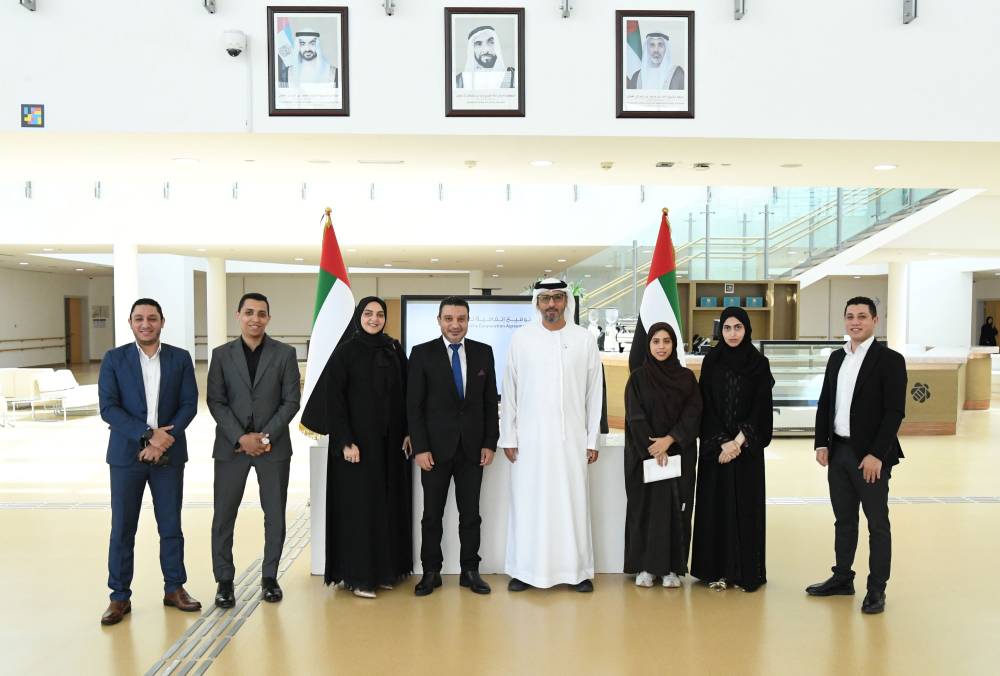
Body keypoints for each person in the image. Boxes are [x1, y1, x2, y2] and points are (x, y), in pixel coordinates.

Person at [300, 296, 412, 599]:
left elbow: (406, 395)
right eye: (368, 314)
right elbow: (334, 401)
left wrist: (407, 432)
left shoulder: (393, 349)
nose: (374, 319)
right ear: (359, 317)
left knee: (387, 508)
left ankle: (385, 572)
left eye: (380, 314)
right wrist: (345, 441)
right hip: (357, 449)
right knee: (360, 511)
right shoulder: (345, 352)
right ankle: (359, 577)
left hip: (391, 449)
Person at [97, 298, 200, 625]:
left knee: (170, 525)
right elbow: (108, 408)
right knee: (122, 528)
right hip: (126, 455)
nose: (146, 324)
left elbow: (189, 403)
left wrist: (164, 439)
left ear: (162, 322)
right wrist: (147, 435)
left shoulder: (180, 358)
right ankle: (119, 596)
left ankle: (174, 588)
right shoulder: (114, 359)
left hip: (169, 454)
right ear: (130, 323)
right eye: (139, 318)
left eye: (152, 318)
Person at [500, 279, 603, 592]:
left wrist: (592, 439)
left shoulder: (584, 339)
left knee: (571, 505)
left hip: (572, 441)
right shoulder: (522, 338)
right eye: (545, 299)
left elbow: (594, 394)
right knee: (529, 505)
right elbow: (510, 390)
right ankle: (525, 571)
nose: (551, 305)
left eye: (557, 298)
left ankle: (577, 572)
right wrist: (509, 437)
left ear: (566, 301)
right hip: (529, 442)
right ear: (537, 303)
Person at [807, 297, 906, 615]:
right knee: (844, 520)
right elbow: (826, 402)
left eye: (862, 316)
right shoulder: (837, 357)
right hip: (838, 451)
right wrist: (821, 443)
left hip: (870, 457)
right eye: (850, 316)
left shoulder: (890, 360)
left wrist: (877, 454)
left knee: (877, 523)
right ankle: (842, 578)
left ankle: (876, 589)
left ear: (875, 320)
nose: (855, 322)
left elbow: (894, 412)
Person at [208, 293, 301, 607]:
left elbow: (291, 401)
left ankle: (270, 577)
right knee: (224, 516)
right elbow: (216, 401)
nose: (255, 319)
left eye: (261, 314)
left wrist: (263, 437)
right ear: (238, 316)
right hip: (231, 448)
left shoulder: (285, 354)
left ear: (268, 319)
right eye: (249, 312)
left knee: (274, 515)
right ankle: (224, 581)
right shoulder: (221, 355)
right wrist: (240, 437)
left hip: (273, 447)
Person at [408, 297, 499, 596]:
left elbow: (489, 402)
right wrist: (420, 448)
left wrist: (490, 442)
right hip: (433, 450)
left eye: (461, 318)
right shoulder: (421, 353)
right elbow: (413, 406)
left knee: (470, 514)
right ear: (439, 321)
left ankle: (470, 571)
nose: (455, 324)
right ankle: (430, 572)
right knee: (431, 515)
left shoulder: (483, 352)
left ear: (468, 320)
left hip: (473, 450)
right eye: (449, 318)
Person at [691, 307, 774, 593]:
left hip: (746, 452)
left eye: (738, 327)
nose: (732, 333)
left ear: (747, 329)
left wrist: (738, 442)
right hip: (717, 451)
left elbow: (761, 408)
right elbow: (705, 405)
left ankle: (743, 571)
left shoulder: (759, 363)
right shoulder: (712, 360)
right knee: (716, 507)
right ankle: (714, 569)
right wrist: (722, 442)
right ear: (720, 331)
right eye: (727, 328)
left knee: (744, 509)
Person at [624, 322, 702, 589]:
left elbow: (693, 413)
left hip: (678, 456)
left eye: (666, 341)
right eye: (656, 341)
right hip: (645, 457)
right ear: (648, 345)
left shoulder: (686, 378)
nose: (661, 347)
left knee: (675, 510)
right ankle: (645, 566)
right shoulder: (638, 379)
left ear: (674, 344)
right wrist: (653, 449)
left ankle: (672, 568)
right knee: (646, 510)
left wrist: (670, 440)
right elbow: (635, 417)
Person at [455, 25, 515, 89]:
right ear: (472, 49)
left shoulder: (513, 78)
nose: (486, 50)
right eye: (478, 44)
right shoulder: (459, 81)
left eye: (491, 42)